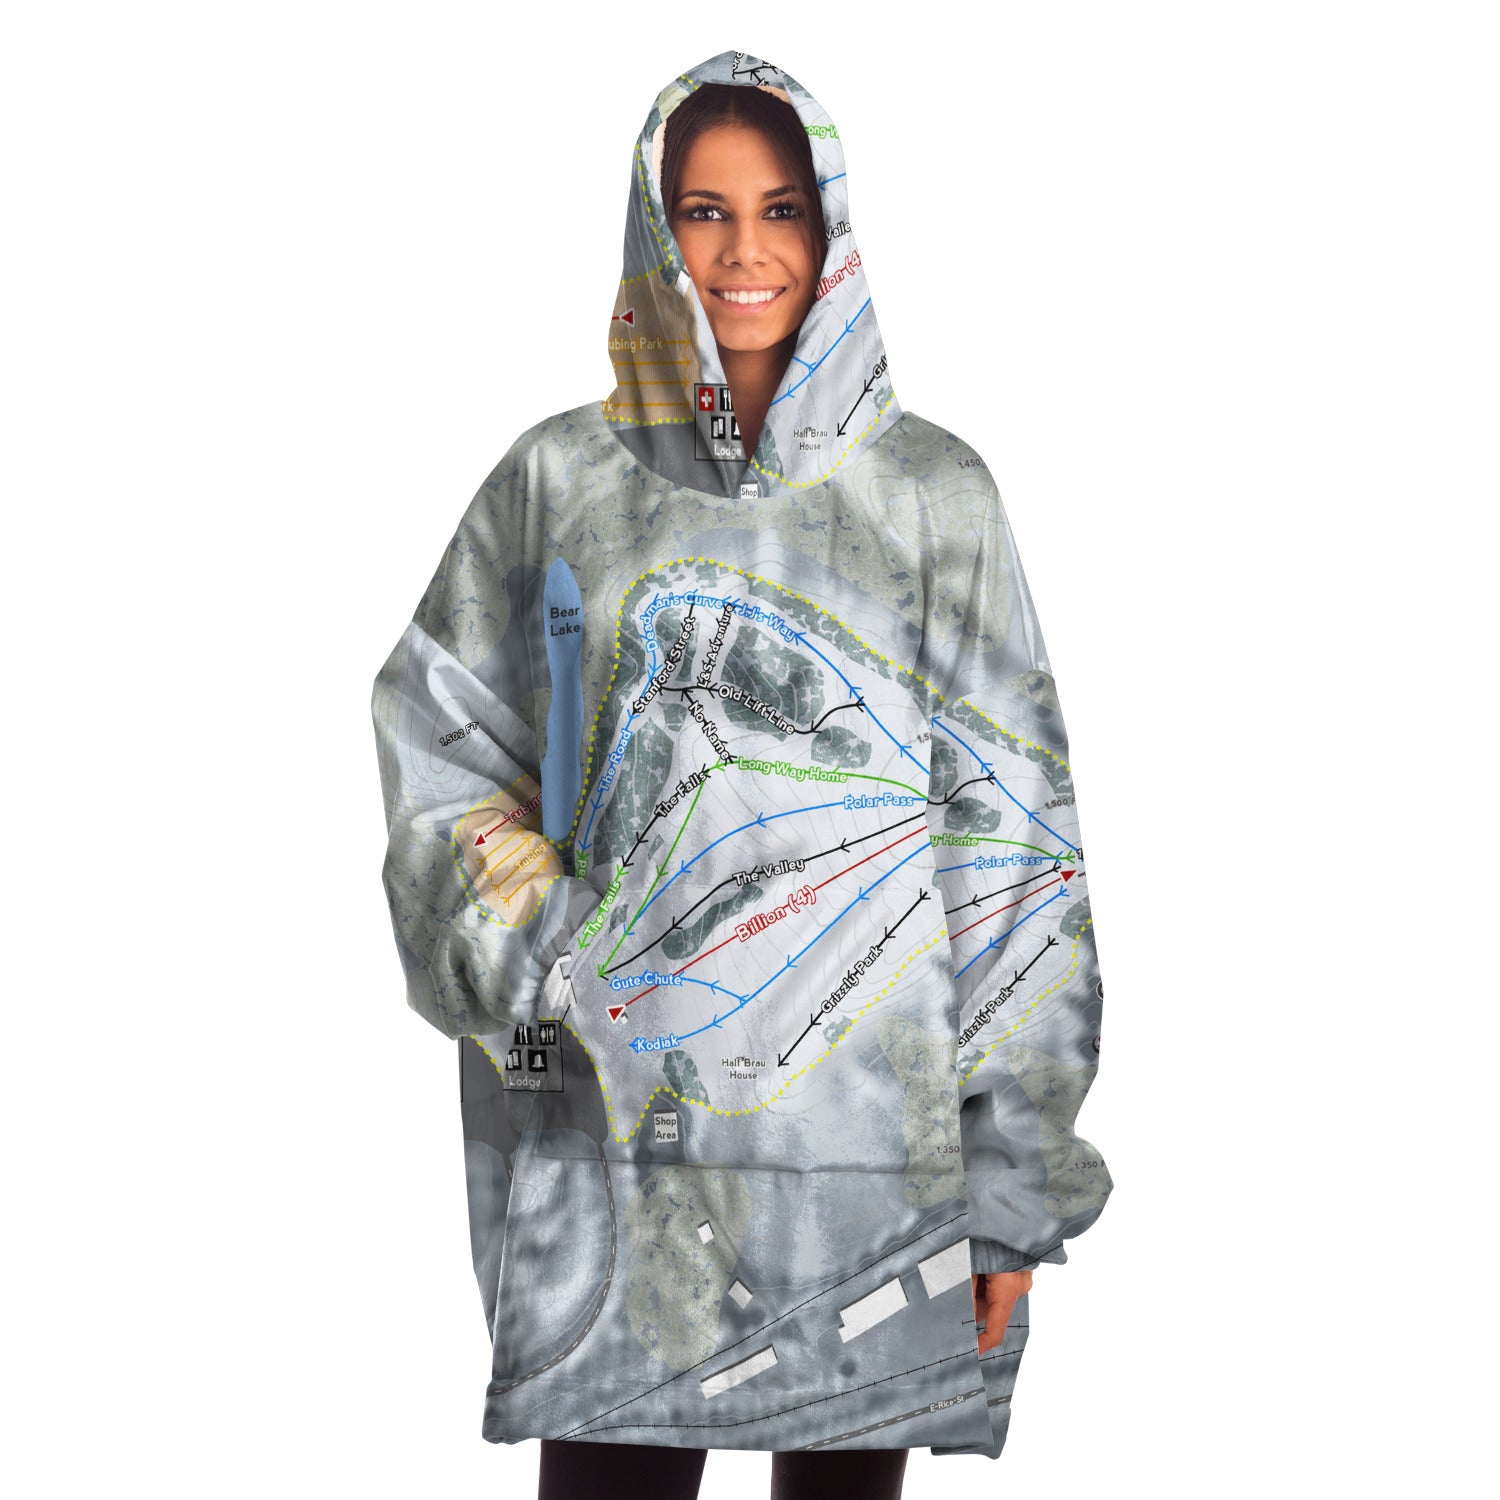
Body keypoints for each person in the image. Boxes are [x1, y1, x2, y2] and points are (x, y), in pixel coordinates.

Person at [369, 49, 1111, 1500]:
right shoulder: (556, 484)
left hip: (876, 1187)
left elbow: (1015, 849)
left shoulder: (935, 498)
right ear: (655, 229)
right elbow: (437, 742)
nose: (745, 251)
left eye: (781, 208)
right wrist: (551, 956)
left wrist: (1015, 1188)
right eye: (703, 211)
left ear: (831, 228)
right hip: (615, 1163)